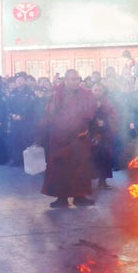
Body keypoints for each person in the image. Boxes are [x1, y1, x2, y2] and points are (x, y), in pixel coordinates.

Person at [40, 69, 98, 208]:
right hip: (60, 137)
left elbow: (90, 111)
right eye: (72, 79)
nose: (76, 82)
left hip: (79, 137)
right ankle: (61, 198)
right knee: (60, 167)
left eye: (77, 79)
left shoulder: (86, 94)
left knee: (80, 168)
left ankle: (80, 196)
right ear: (65, 80)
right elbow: (51, 113)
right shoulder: (58, 94)